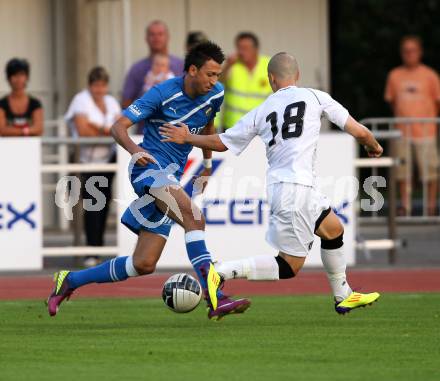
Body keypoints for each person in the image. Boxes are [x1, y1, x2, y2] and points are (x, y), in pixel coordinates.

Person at [160, 52, 383, 315]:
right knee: (289, 266)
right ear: (297, 76)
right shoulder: (316, 97)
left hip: (290, 188)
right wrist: (374, 146)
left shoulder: (262, 110)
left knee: (333, 230)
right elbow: (359, 131)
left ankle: (343, 295)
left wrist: (188, 138)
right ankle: (218, 272)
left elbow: (222, 142)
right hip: (296, 189)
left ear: (271, 79)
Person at [47, 42, 250, 320]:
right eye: (210, 74)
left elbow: (208, 123)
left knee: (143, 263)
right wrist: (135, 150)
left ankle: (69, 280)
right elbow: (117, 126)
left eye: (218, 75)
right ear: (192, 70)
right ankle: (215, 295)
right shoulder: (161, 93)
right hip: (149, 172)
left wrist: (206, 163)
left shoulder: (214, 94)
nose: (214, 81)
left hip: (172, 178)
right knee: (193, 216)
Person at [65, 67, 121, 267]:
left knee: (104, 204)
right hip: (85, 161)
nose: (99, 89)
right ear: (90, 85)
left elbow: (119, 128)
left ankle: (97, 247)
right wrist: (105, 130)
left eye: (103, 85)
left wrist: (97, 128)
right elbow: (82, 129)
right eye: (96, 85)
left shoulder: (111, 102)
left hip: (107, 159)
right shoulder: (81, 99)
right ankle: (91, 250)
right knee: (92, 204)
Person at [385, 35, 440, 216]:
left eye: (413, 50)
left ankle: (431, 207)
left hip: (426, 131)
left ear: (420, 52)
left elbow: (437, 101)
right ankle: (405, 206)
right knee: (403, 172)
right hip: (402, 132)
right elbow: (392, 101)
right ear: (402, 53)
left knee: (431, 172)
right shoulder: (394, 75)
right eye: (406, 50)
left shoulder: (430, 75)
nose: (409, 54)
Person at [121, 20, 184, 110]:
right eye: (152, 34)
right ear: (146, 38)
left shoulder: (181, 65)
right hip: (147, 122)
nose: (156, 38)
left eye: (160, 34)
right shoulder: (137, 69)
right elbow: (126, 102)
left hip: (176, 121)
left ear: (168, 37)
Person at [219, 32, 272, 130]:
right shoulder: (232, 65)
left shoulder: (269, 64)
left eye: (245, 48)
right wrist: (227, 65)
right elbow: (218, 83)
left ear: (256, 49)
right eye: (239, 48)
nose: (241, 52)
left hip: (260, 127)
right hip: (232, 126)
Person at [0, 58, 43, 137]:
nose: (18, 79)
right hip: (8, 147)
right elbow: (2, 130)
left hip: (30, 147)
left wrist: (13, 130)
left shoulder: (35, 103)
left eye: (21, 74)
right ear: (9, 78)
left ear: (27, 77)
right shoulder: (2, 104)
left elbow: (39, 129)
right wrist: (27, 130)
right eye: (14, 75)